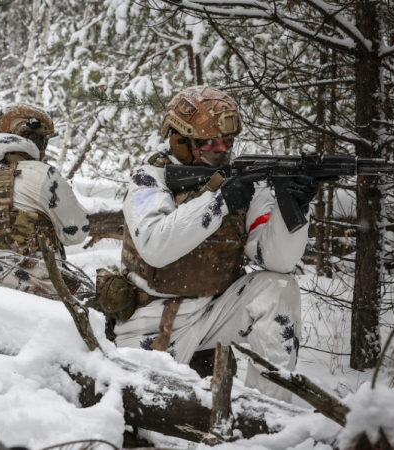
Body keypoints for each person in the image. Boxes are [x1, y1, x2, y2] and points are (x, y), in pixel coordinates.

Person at [109, 86, 319, 402]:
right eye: (210, 141)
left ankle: (267, 412)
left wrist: (293, 207)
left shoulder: (241, 181)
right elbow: (156, 245)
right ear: (180, 139)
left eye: (227, 141)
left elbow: (278, 261)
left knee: (279, 287)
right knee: (130, 412)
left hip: (214, 314)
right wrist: (218, 201)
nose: (221, 148)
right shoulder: (149, 179)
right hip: (149, 321)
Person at [0, 104, 92, 299]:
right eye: (42, 140)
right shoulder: (40, 174)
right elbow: (78, 231)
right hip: (31, 297)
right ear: (30, 136)